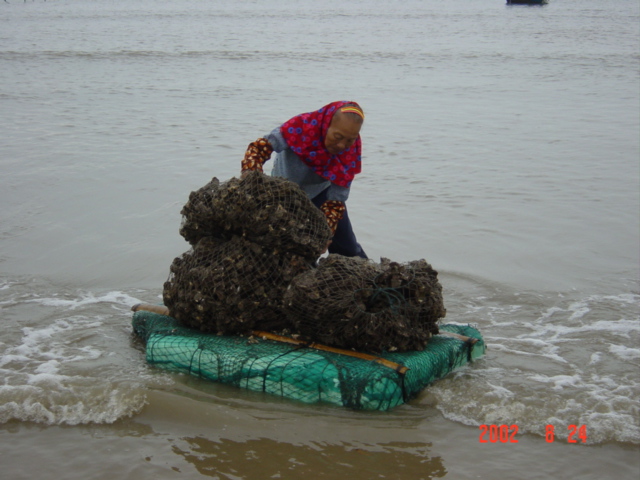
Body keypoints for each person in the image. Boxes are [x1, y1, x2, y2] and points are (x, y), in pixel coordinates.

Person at [240, 100, 367, 259]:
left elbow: (337, 199)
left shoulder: (350, 153)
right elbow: (260, 147)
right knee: (294, 251)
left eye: (349, 140)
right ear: (326, 125)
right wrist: (251, 173)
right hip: (284, 192)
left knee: (347, 247)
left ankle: (364, 277)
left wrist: (327, 232)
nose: (342, 145)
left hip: (322, 195)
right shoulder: (300, 128)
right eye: (337, 136)